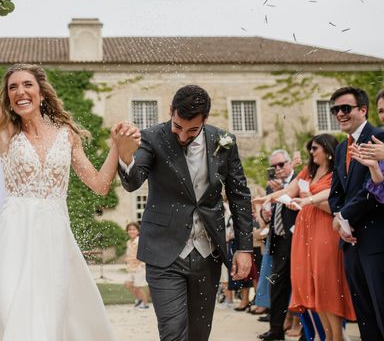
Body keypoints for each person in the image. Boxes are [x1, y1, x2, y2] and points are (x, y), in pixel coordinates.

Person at [0, 7, 122, 340]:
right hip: (13, 237)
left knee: (54, 314)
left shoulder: (66, 135)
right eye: (13, 86)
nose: (19, 91)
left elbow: (100, 185)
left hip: (54, 236)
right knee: (8, 307)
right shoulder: (5, 131)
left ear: (41, 92)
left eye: (27, 84)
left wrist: (117, 147)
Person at [115, 84, 253, 341]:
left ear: (205, 120)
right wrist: (124, 154)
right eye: (177, 126)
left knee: (199, 335)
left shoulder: (224, 142)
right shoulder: (152, 137)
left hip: (207, 253)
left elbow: (239, 196)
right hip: (164, 254)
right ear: (171, 111)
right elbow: (133, 182)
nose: (181, 136)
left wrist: (244, 248)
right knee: (173, 334)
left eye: (192, 130)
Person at [254, 134, 356, 341]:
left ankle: (337, 337)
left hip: (325, 229)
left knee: (327, 283)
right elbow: (289, 191)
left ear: (328, 151)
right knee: (312, 284)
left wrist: (308, 199)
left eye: (315, 148)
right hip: (305, 231)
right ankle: (325, 336)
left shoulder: (336, 173)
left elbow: (333, 202)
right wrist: (266, 198)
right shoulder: (309, 172)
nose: (311, 152)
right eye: (311, 148)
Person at [327, 87, 384, 340]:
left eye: (345, 108)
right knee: (364, 313)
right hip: (350, 243)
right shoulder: (341, 148)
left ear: (363, 110)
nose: (340, 113)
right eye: (335, 110)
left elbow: (372, 189)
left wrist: (345, 217)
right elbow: (336, 193)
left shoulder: (379, 138)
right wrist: (340, 218)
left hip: (376, 240)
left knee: (382, 309)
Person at [257, 149, 298, 341]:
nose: (278, 169)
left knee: (299, 285)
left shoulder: (298, 179)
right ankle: (276, 330)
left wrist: (279, 193)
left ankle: (305, 330)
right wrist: (266, 214)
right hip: (279, 241)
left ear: (290, 163)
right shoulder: (271, 187)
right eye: (274, 166)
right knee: (277, 285)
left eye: (281, 164)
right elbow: (268, 216)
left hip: (297, 240)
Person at [124, 222, 149, 310]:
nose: (131, 231)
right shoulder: (128, 242)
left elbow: (144, 253)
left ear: (138, 231)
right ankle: (139, 299)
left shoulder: (139, 241)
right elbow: (129, 254)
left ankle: (145, 304)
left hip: (139, 267)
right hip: (131, 267)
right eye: (130, 230)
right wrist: (127, 259)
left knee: (139, 286)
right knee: (128, 284)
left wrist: (140, 262)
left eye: (134, 229)